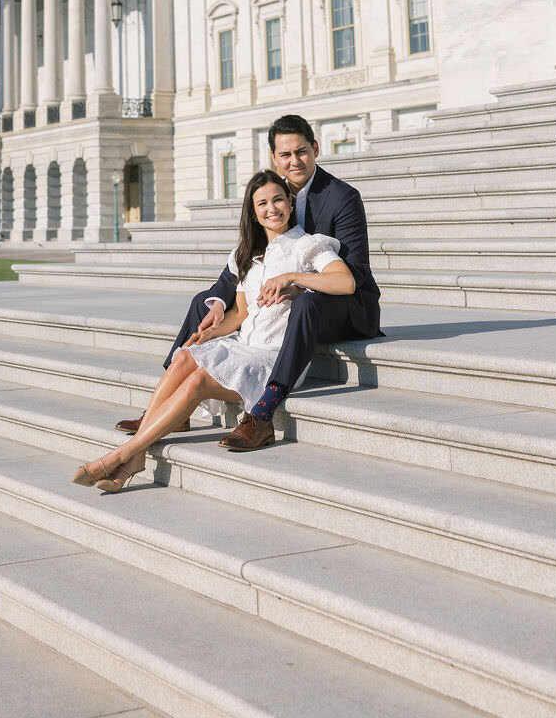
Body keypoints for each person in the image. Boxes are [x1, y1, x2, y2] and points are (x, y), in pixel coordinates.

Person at [72, 170, 355, 493]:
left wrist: (294, 278)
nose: (271, 208)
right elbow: (242, 314)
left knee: (197, 381)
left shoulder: (307, 246)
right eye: (262, 203)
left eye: (278, 199)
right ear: (252, 211)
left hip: (274, 357)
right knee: (183, 358)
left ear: (290, 203)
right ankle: (134, 459)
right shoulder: (247, 254)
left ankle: (124, 454)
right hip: (243, 344)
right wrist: (213, 331)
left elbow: (345, 282)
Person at [115, 114, 381, 452]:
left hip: (343, 306)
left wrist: (298, 284)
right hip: (291, 295)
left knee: (305, 302)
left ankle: (263, 412)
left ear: (315, 149)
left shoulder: (342, 197)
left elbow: (354, 274)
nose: (294, 161)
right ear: (274, 157)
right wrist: (217, 304)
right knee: (204, 301)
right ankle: (168, 401)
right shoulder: (274, 194)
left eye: (301, 152)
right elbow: (243, 266)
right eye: (285, 155)